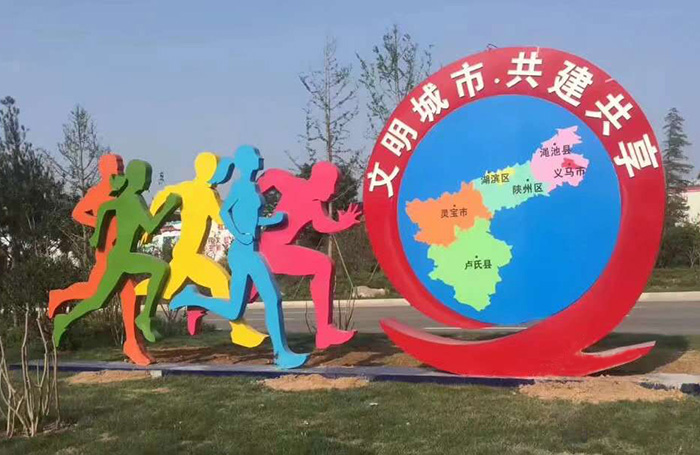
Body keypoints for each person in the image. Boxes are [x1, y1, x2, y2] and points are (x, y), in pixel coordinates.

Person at [170, 146, 309, 369]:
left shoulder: (253, 187)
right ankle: (282, 354)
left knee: (235, 310)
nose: (261, 158)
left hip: (249, 250)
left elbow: (249, 219)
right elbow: (225, 212)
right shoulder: (241, 186)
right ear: (245, 162)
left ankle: (193, 298)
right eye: (256, 156)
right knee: (272, 298)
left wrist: (271, 221)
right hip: (244, 253)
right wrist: (239, 234)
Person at [135, 152, 267, 347]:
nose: (225, 177)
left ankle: (134, 292)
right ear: (211, 170)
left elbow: (164, 193)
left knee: (167, 290)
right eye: (223, 171)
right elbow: (223, 217)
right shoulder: (207, 194)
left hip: (183, 254)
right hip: (189, 256)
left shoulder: (186, 188)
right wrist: (248, 211)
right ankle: (239, 331)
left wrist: (152, 217)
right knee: (220, 280)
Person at [52, 160, 180, 349]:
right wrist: (170, 206)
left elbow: (106, 208)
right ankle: (145, 317)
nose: (149, 182)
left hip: (118, 258)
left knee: (98, 300)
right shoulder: (132, 199)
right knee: (161, 268)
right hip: (123, 257)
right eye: (146, 177)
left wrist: (98, 233)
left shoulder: (127, 196)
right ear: (136, 178)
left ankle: (64, 321)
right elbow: (151, 226)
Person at [241, 162, 362, 349]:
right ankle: (325, 331)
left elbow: (322, 225)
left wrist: (342, 224)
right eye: (333, 184)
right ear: (319, 180)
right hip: (271, 250)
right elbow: (272, 175)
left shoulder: (316, 206)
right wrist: (250, 199)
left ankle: (325, 332)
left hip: (277, 251)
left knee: (242, 298)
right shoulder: (294, 184)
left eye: (337, 185)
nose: (334, 190)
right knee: (323, 265)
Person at [48, 155, 150, 365]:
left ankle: (133, 342)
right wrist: (99, 224)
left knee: (128, 292)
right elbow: (78, 213)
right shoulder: (97, 193)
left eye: (121, 165)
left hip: (124, 252)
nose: (119, 169)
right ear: (104, 170)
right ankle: (61, 296)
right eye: (116, 166)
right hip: (107, 251)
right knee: (96, 294)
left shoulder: (125, 190)